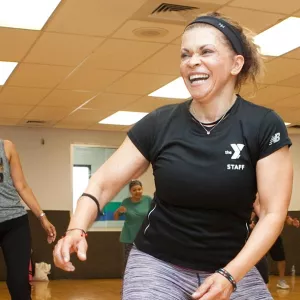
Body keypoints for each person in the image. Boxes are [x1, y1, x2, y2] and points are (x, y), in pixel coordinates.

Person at [53, 12, 293, 300]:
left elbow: (272, 214)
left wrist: (231, 274)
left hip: (232, 264)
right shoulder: (159, 123)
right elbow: (103, 183)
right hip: (157, 263)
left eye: (206, 51)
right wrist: (76, 228)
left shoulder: (263, 125)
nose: (192, 61)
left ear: (236, 63)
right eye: (185, 54)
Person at [0, 139, 56, 300]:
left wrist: (42, 217)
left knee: (18, 282)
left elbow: (21, 185)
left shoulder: (6, 146)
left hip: (15, 222)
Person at [252, 197, 299, 289]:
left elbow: (287, 219)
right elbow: (251, 217)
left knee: (281, 259)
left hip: (275, 236)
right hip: (261, 237)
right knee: (260, 260)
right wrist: (251, 224)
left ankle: (281, 280)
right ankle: (261, 281)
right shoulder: (259, 205)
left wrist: (293, 222)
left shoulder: (278, 206)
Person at [113, 179, 152, 269]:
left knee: (144, 262)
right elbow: (115, 218)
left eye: (139, 189)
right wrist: (118, 211)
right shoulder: (126, 202)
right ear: (130, 191)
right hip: (129, 237)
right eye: (134, 190)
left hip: (144, 237)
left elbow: (154, 215)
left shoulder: (148, 200)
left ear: (142, 189)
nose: (137, 192)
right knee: (128, 263)